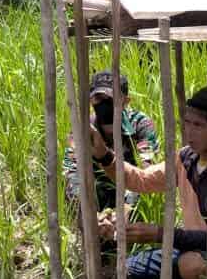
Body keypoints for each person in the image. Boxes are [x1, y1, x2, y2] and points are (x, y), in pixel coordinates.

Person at [91, 84, 207, 279]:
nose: (189, 131)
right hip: (190, 247)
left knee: (191, 265)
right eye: (186, 123)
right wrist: (104, 155)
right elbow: (142, 180)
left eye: (198, 125)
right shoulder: (186, 159)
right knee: (126, 271)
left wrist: (161, 234)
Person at [63, 70, 159, 223]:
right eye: (98, 97)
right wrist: (89, 213)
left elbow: (145, 171)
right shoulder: (84, 129)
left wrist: (126, 208)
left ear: (125, 101)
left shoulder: (141, 125)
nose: (103, 103)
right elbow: (71, 172)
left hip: (132, 192)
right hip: (97, 197)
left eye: (110, 98)